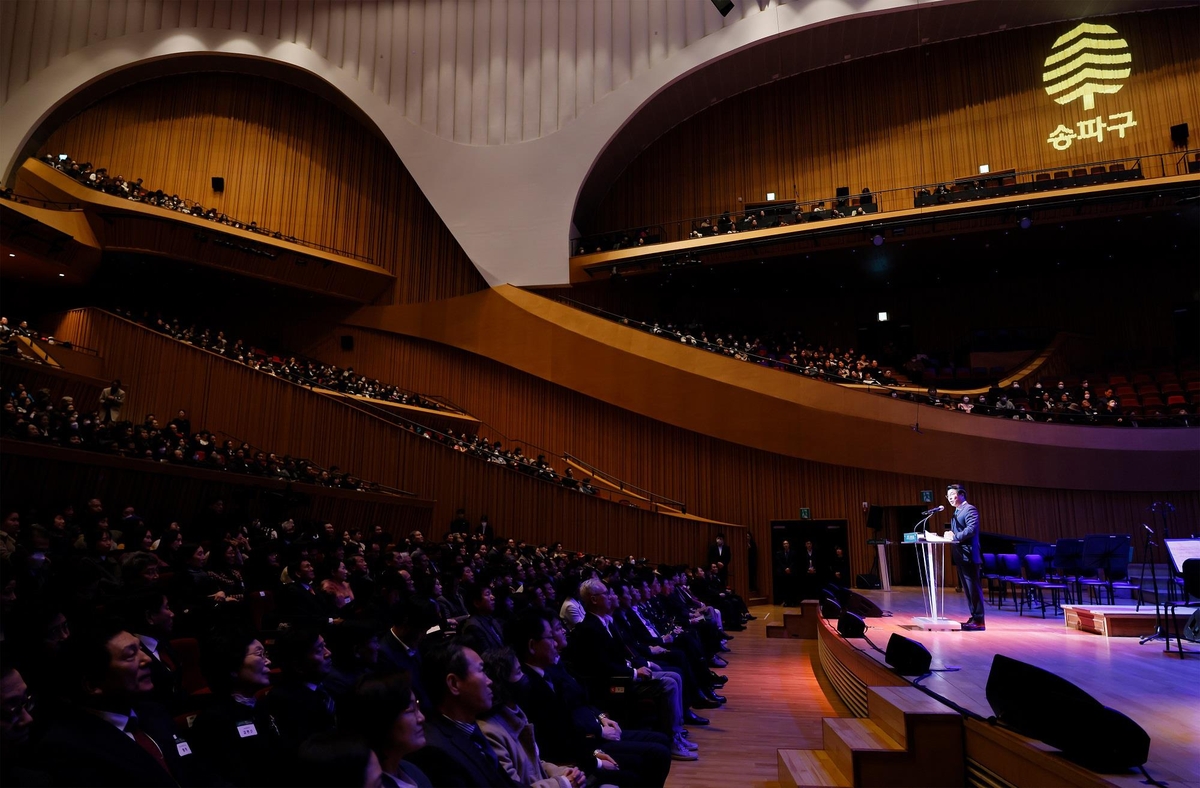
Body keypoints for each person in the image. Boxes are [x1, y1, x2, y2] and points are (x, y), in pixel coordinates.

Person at [946, 484, 985, 631]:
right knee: (968, 590)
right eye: (948, 496)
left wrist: (955, 536)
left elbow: (971, 529)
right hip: (961, 555)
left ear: (961, 494)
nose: (950, 498)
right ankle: (974, 616)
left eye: (952, 494)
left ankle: (979, 620)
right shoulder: (956, 512)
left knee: (973, 588)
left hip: (969, 555)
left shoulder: (969, 509)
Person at [774, 540, 797, 606]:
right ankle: (786, 602)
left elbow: (794, 562)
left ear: (789, 544)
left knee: (791, 588)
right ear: (783, 545)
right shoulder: (780, 553)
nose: (786, 545)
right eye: (784, 544)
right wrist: (785, 569)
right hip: (783, 573)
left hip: (791, 573)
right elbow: (780, 562)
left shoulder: (793, 552)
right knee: (784, 588)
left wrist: (789, 568)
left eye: (787, 543)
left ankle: (792, 602)